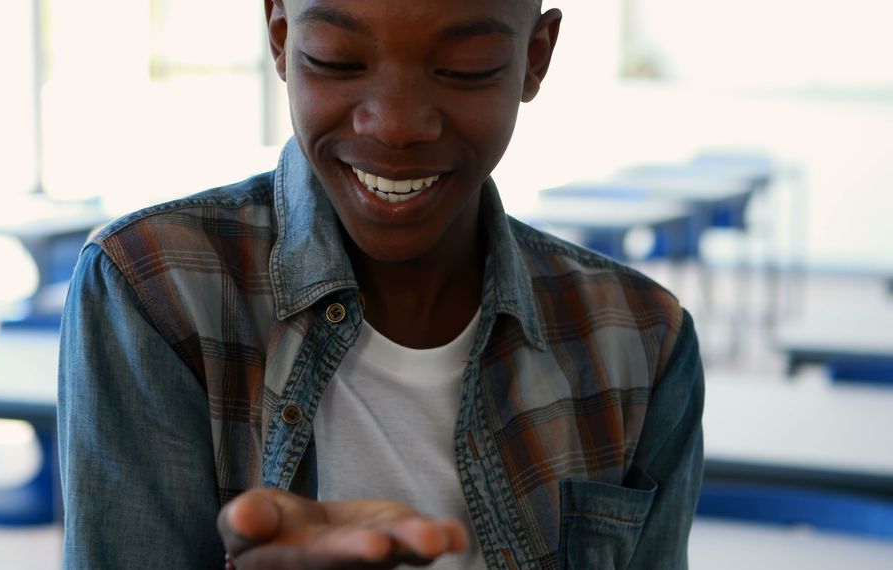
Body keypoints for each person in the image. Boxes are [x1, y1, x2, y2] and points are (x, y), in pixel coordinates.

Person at [58, 0, 705, 568]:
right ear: (280, 37)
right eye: (337, 60)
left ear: (534, 57)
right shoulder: (153, 289)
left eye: (466, 66)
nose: (394, 125)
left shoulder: (641, 339)